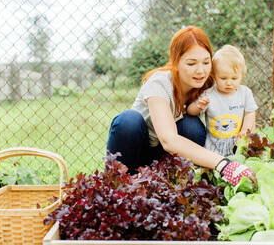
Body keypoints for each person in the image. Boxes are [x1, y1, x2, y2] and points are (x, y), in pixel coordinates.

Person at [107, 26, 256, 188]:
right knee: (128, 120)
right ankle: (120, 186)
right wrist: (224, 164)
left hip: (165, 156)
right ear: (176, 62)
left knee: (192, 126)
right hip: (137, 151)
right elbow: (168, 140)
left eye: (206, 62)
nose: (200, 71)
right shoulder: (159, 83)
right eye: (191, 63)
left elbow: (238, 101)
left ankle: (173, 184)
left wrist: (241, 142)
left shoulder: (207, 85)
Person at [187, 45, 258, 157]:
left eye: (234, 78)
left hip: (238, 146)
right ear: (214, 76)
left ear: (242, 75)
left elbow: (250, 113)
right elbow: (190, 111)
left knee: (241, 166)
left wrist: (245, 131)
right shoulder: (209, 95)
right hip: (214, 149)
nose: (229, 83)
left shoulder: (245, 93)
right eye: (223, 78)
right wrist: (198, 106)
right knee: (214, 171)